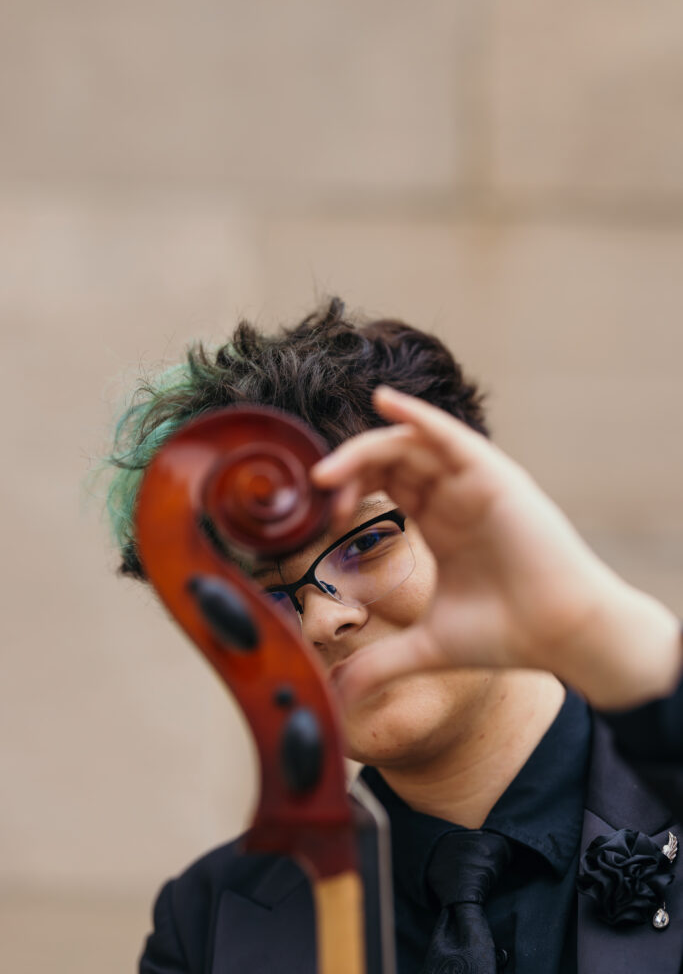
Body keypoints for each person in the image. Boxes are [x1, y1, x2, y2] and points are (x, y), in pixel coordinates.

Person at [105, 299, 683, 973]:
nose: (323, 620)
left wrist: (588, 627)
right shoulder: (205, 924)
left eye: (368, 543)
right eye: (264, 597)